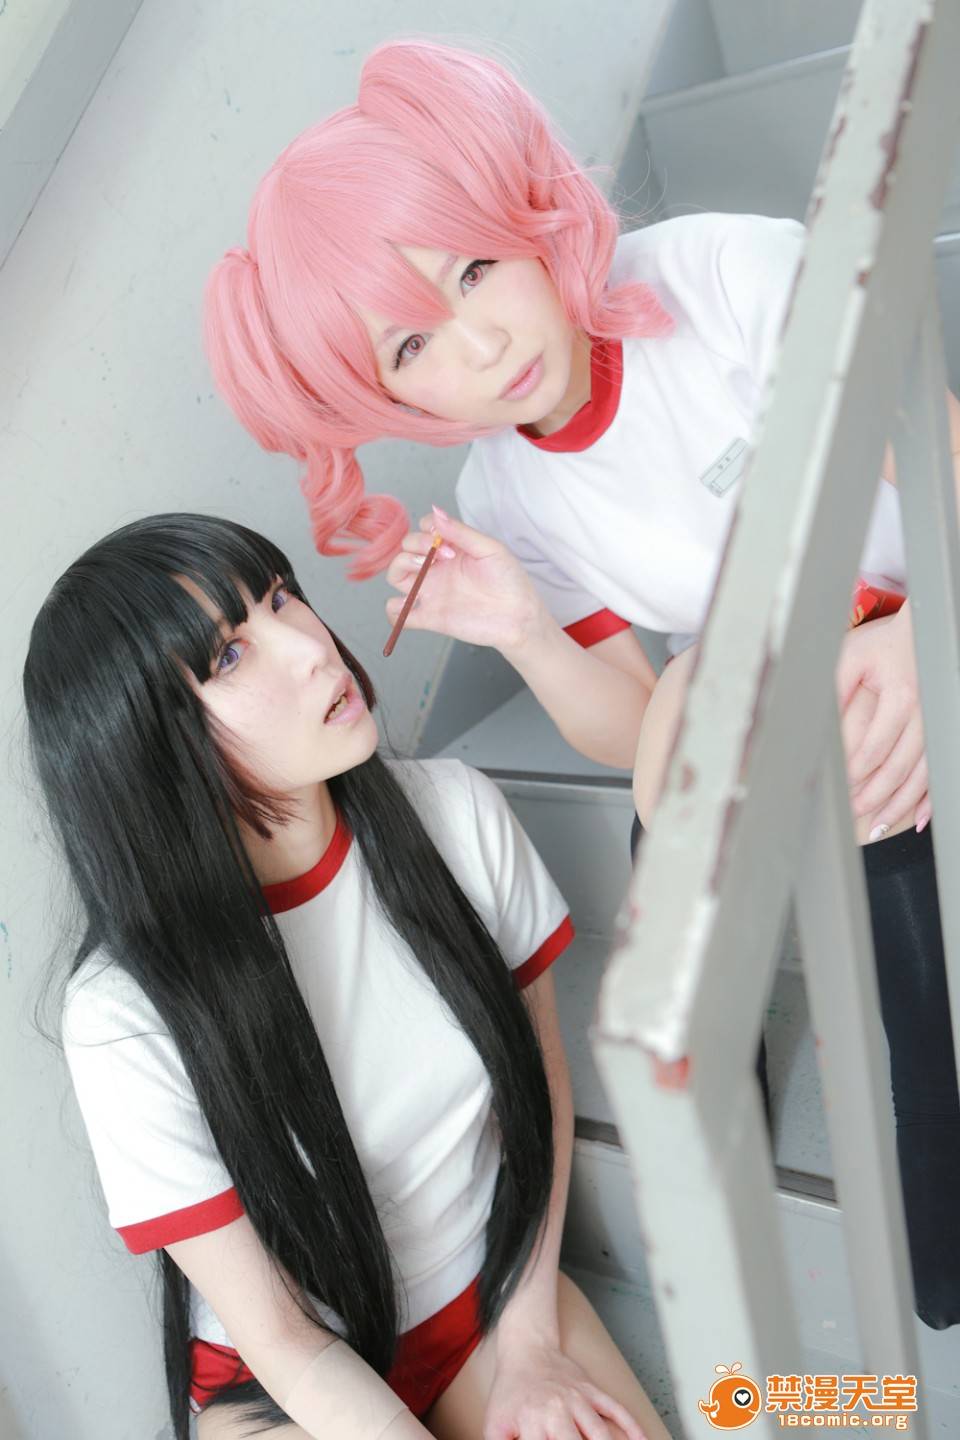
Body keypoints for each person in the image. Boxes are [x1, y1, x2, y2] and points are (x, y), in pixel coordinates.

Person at [202, 39, 960, 1331]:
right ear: (383, 393)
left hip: (914, 604)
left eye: (477, 268)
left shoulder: (729, 277)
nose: (484, 343)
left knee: (871, 799)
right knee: (683, 801)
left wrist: (921, 644)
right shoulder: (505, 491)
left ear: (526, 208)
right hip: (776, 681)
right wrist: (522, 630)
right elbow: (634, 728)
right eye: (414, 346)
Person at [24, 513, 671, 1440]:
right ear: (150, 750)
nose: (309, 645)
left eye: (282, 597)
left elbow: (542, 1089)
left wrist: (531, 1340)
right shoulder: (124, 1013)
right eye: (231, 656)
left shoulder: (457, 816)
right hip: (285, 1386)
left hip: (494, 1303)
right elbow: (283, 1339)